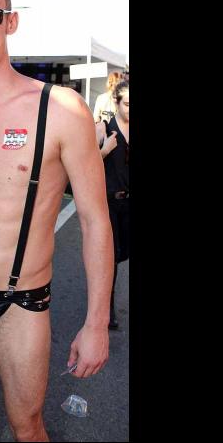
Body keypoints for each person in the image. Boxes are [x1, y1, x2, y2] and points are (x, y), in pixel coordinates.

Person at [0, 0, 113, 442]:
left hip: (21, 302)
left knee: (27, 425)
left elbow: (95, 221)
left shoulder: (59, 108)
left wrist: (96, 323)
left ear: (10, 21)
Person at [96, 80, 129, 330]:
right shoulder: (104, 128)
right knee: (112, 258)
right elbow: (84, 164)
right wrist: (105, 150)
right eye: (127, 103)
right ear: (116, 103)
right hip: (109, 204)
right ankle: (106, 308)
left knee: (123, 253)